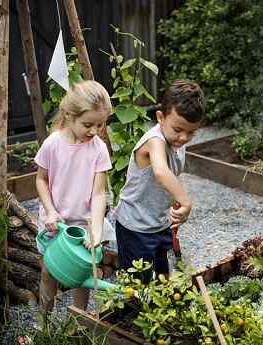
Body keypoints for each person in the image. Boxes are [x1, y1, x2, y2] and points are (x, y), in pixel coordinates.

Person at [35, 80, 113, 317]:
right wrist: (50, 210)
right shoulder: (52, 145)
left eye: (100, 125)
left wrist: (96, 230)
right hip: (54, 222)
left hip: (82, 225)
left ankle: (77, 324)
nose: (94, 131)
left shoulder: (98, 148)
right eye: (88, 124)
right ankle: (42, 324)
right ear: (69, 116)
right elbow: (41, 180)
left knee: (82, 276)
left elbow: (99, 193)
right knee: (48, 273)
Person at [114, 80, 205, 281]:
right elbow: (162, 172)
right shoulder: (154, 141)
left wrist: (174, 203)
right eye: (178, 129)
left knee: (163, 277)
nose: (183, 138)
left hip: (159, 223)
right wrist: (187, 202)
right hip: (135, 227)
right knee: (137, 285)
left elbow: (170, 178)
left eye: (191, 132)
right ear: (160, 117)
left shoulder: (177, 141)